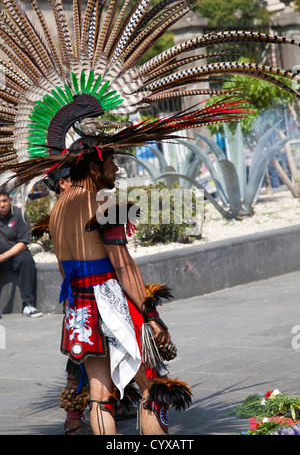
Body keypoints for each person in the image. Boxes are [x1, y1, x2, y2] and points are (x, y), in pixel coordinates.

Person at [49, 143, 191, 435]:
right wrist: (151, 314)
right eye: (111, 163)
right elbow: (124, 267)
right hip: (109, 304)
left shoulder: (57, 209)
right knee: (152, 388)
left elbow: (65, 270)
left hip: (79, 309)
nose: (116, 169)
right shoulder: (102, 204)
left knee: (100, 398)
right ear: (93, 168)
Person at [0, 188, 43, 317]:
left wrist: (3, 256)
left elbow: (23, 244)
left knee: (27, 259)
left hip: (14, 256)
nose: (2, 204)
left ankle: (28, 305)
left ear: (10, 201)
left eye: (4, 201)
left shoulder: (19, 214)